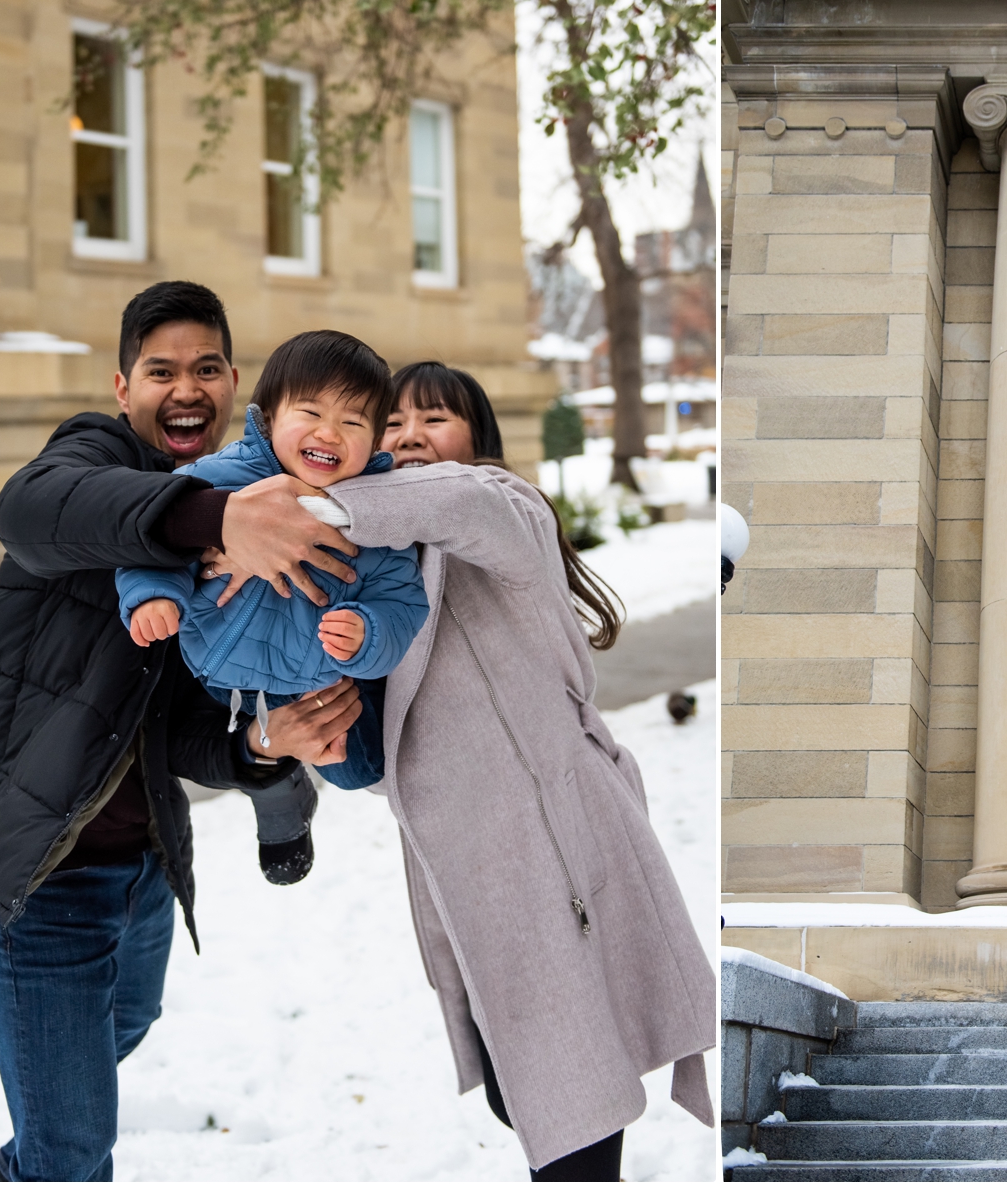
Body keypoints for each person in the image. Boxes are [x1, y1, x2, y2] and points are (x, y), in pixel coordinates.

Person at [205, 358, 715, 1180]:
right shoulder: (376, 564)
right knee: (528, 1099)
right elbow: (370, 752)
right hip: (469, 876)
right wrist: (309, 735)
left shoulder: (501, 508)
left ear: (477, 438)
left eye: (435, 419)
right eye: (392, 422)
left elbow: (458, 502)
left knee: (577, 1113)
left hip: (557, 846)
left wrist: (271, 510)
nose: (409, 436)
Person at [0, 281, 367, 1181]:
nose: (186, 389)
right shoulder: (93, 458)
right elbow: (29, 510)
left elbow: (181, 725)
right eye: (161, 370)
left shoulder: (238, 500)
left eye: (208, 368)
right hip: (40, 871)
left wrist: (268, 745)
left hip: (143, 867)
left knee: (120, 1033)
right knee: (71, 1154)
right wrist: (215, 522)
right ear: (122, 387)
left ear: (234, 387)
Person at [118, 331, 429, 884]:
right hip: (216, 672)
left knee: (361, 771)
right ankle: (276, 789)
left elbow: (401, 598)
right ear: (267, 417)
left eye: (353, 423)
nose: (328, 432)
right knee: (245, 753)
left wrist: (369, 632)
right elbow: (153, 545)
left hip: (320, 677)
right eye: (309, 411)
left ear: (376, 437)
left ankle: (289, 771)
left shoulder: (377, 512)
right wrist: (152, 595)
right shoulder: (215, 480)